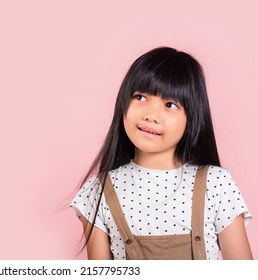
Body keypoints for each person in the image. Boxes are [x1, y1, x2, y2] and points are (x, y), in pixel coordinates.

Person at [70, 47, 253, 260]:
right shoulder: (97, 192)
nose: (151, 115)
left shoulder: (216, 183)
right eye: (140, 97)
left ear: (191, 118)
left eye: (170, 104)